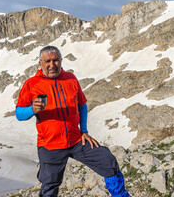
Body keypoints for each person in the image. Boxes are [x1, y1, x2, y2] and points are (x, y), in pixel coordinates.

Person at [15, 46, 131, 197]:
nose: (52, 65)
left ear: (61, 61)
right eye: (47, 61)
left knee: (107, 160)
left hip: (76, 140)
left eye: (56, 60)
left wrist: (84, 130)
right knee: (50, 184)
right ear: (40, 63)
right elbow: (19, 114)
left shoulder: (70, 78)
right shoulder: (32, 84)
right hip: (50, 144)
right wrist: (32, 109)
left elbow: (82, 105)